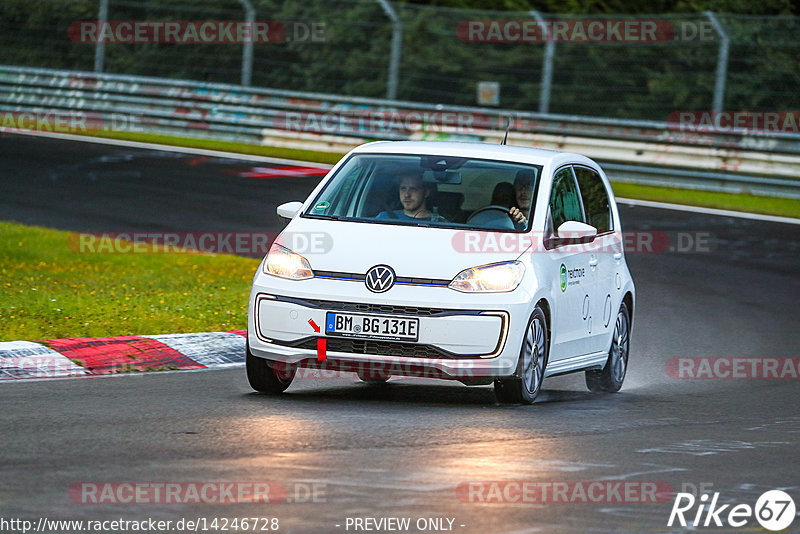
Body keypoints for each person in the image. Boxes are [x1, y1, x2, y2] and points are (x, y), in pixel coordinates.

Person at [376, 170, 446, 222]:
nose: (407, 195)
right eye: (403, 188)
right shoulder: (383, 218)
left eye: (413, 189)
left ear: (426, 193)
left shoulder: (440, 223)